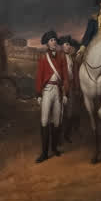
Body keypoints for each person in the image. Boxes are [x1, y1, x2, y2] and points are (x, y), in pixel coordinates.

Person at [34, 30, 68, 163]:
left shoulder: (61, 57)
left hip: (58, 91)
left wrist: (66, 93)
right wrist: (38, 94)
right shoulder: (43, 58)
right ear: (47, 44)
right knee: (44, 121)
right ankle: (44, 153)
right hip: (47, 90)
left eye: (55, 40)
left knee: (57, 121)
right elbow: (39, 77)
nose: (54, 42)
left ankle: (54, 149)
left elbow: (65, 77)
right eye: (51, 40)